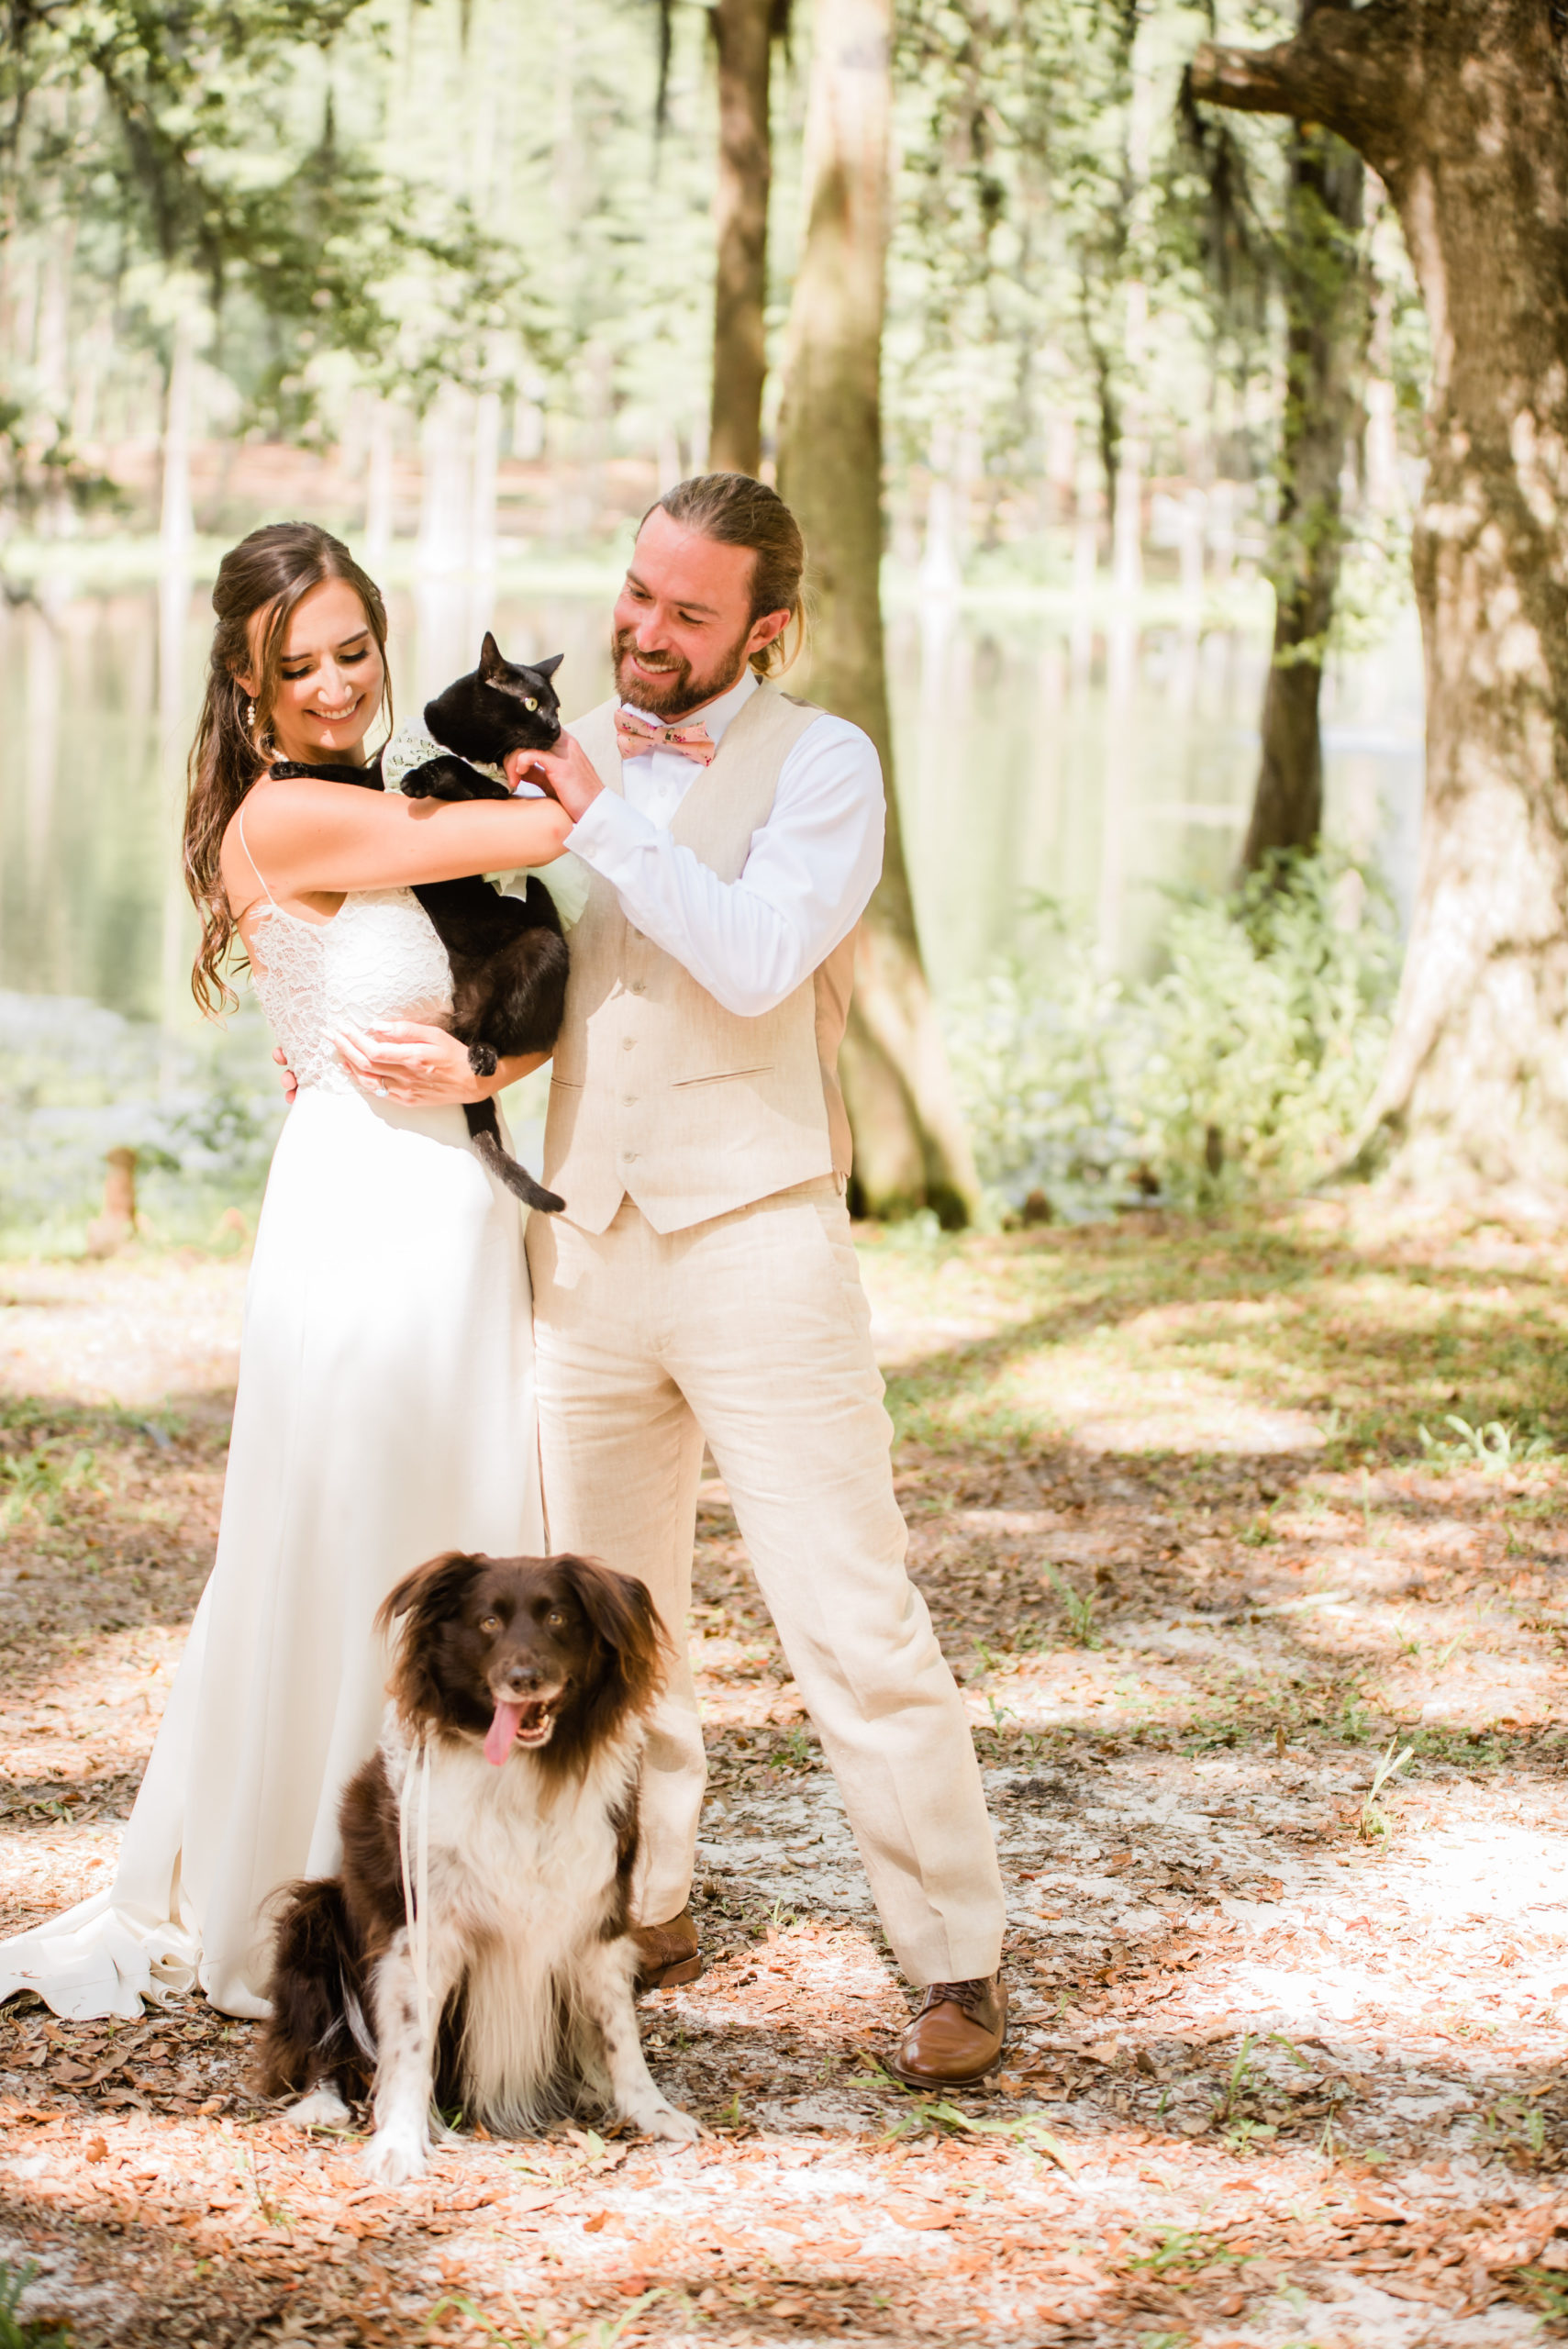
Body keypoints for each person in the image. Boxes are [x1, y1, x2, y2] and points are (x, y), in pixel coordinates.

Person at [350, 474, 1009, 2087]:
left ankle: (953, 1959)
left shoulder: (827, 766)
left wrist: (599, 809)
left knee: (851, 1612)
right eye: (636, 593)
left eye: (686, 613)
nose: (641, 632)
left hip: (759, 1239)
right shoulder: (554, 759)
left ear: (765, 631)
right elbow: (531, 952)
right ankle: (645, 1901)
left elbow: (752, 951)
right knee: (600, 1618)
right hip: (581, 1234)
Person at [0, 523, 572, 2021]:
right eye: (297, 665)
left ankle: (470, 1869)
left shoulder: (369, 799)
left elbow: (504, 1022)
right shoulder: (287, 822)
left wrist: (481, 1051)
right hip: (361, 1216)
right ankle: (322, 1880)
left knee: (460, 1511)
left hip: (455, 1210)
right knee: (351, 1526)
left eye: (354, 651)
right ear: (249, 687)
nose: (335, 685)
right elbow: (536, 837)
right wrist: (579, 759)